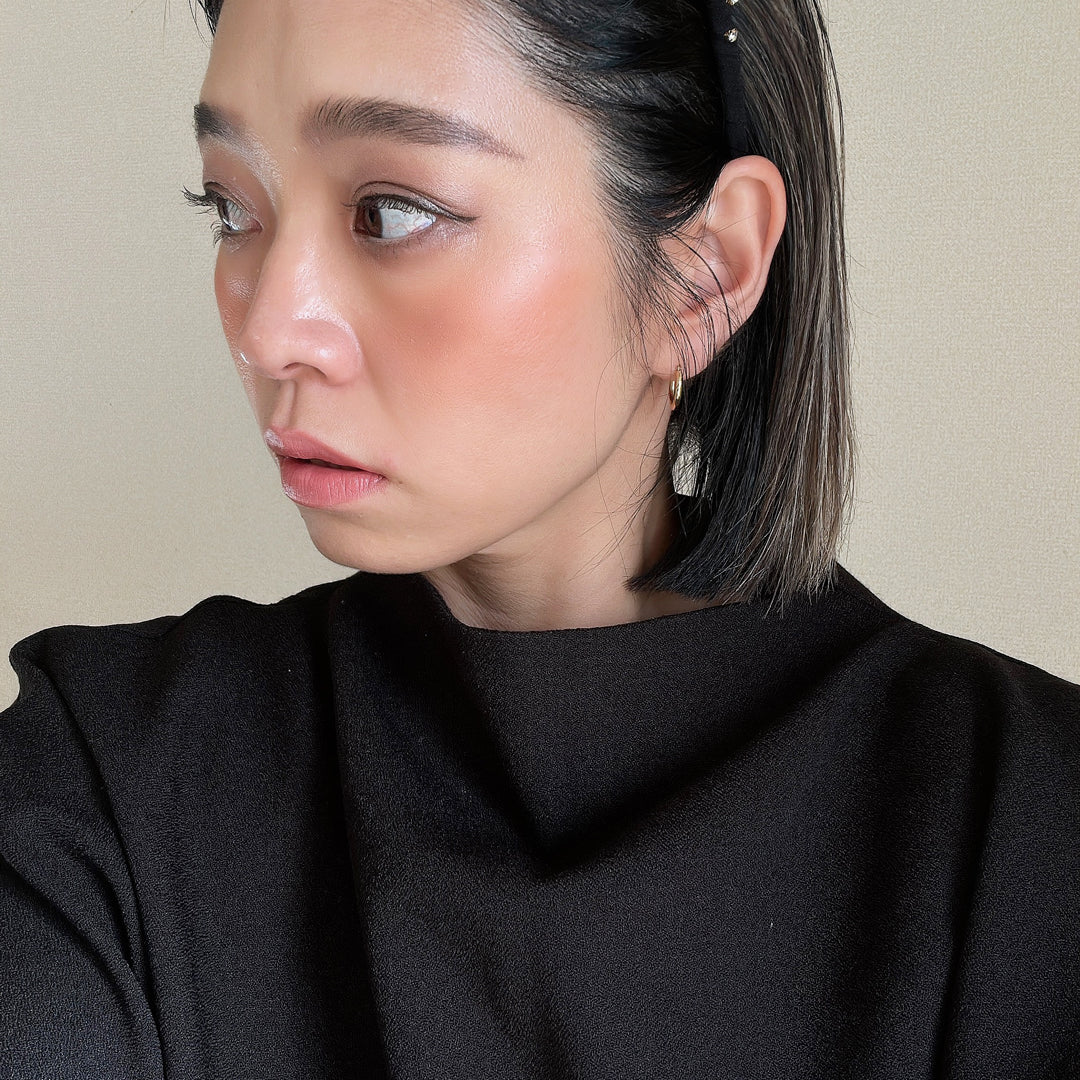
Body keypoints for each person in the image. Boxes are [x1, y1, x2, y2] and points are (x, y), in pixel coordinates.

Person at [1, 0, 1077, 1076]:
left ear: (704, 271)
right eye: (232, 208)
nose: (269, 328)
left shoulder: (1030, 828)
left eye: (391, 211)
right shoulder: (103, 785)